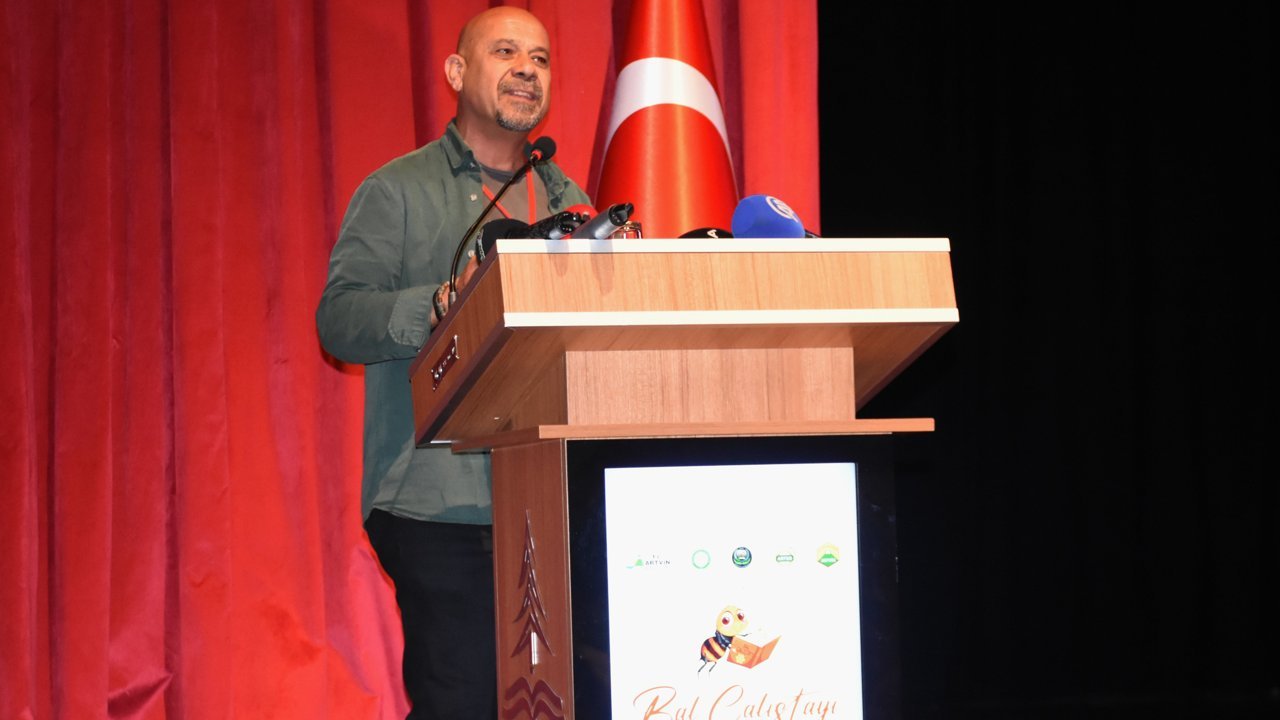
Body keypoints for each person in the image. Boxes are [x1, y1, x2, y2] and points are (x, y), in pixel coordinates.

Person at [315, 7, 590, 718]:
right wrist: (442, 305)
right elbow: (339, 321)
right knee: (462, 701)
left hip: (553, 501)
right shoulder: (397, 191)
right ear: (457, 72)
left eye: (541, 58)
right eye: (506, 52)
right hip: (438, 501)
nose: (527, 69)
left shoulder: (568, 200)